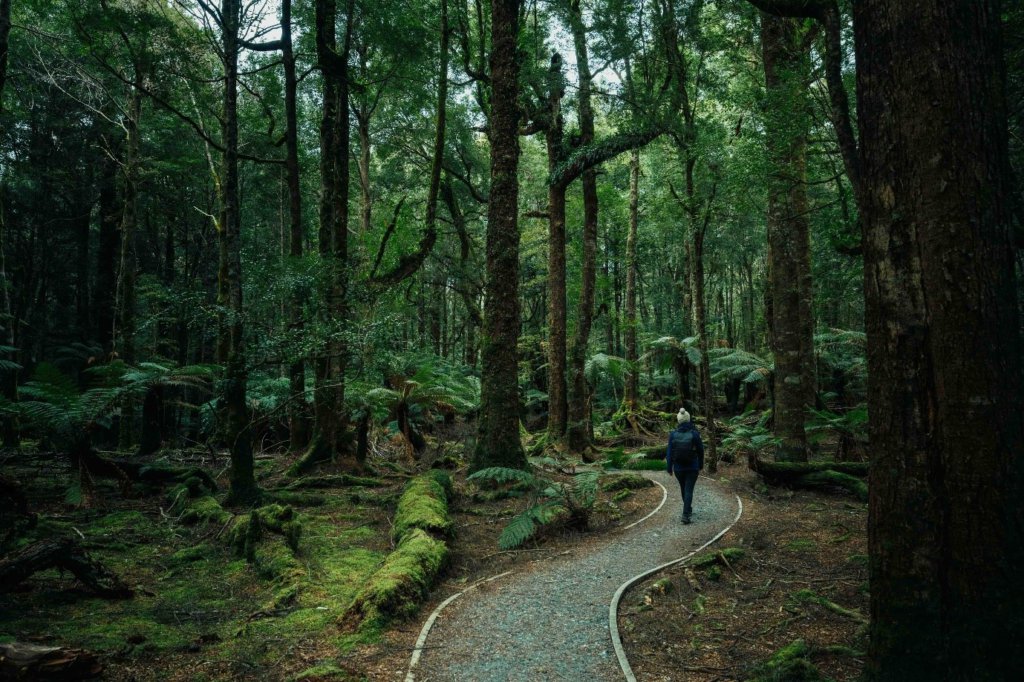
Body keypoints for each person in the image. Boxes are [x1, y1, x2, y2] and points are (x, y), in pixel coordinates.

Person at [666, 407, 704, 524]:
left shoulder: (673, 434)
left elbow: (669, 452)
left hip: (678, 468)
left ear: (679, 421)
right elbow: (700, 450)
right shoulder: (694, 434)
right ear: (688, 420)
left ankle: (687, 510)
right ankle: (686, 514)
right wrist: (700, 465)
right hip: (692, 467)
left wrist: (669, 467)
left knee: (684, 489)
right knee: (689, 490)